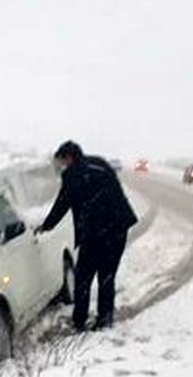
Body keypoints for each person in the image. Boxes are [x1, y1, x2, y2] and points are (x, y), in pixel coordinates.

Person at [36, 140, 138, 331]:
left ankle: (79, 320)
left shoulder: (73, 174)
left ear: (69, 157)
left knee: (83, 278)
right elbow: (116, 192)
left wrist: (46, 226)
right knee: (107, 276)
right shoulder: (99, 163)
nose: (61, 166)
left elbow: (62, 204)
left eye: (62, 161)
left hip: (95, 233)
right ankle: (105, 319)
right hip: (117, 228)